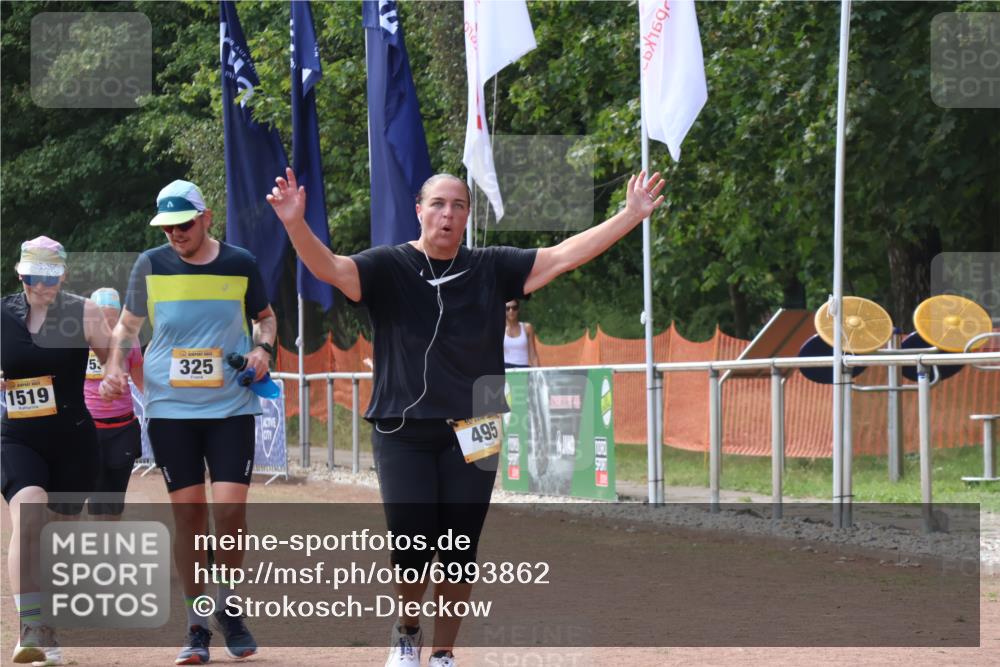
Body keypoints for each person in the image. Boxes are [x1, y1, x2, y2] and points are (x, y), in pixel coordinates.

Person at [267, 166, 665, 667]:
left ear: (468, 216)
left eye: (458, 205)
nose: (447, 214)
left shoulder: (491, 267)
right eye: (437, 204)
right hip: (403, 428)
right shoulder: (388, 266)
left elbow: (564, 255)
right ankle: (407, 632)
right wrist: (294, 222)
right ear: (419, 210)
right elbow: (329, 267)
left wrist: (629, 215)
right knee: (411, 542)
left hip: (476, 424)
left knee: (458, 547)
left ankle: (443, 652)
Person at [100, 180, 277, 665]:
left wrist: (263, 350)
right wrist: (114, 366)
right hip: (170, 409)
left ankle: (228, 606)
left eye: (184, 224)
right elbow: (127, 326)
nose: (176, 234)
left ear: (206, 218)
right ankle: (197, 625)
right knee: (190, 516)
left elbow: (265, 317)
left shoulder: (240, 262)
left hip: (230, 406)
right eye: (168, 227)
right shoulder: (149, 264)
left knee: (231, 512)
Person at [2, 236, 114, 666]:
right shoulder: (2, 314)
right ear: (20, 274)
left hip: (73, 441)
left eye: (49, 277)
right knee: (28, 513)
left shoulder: (84, 312)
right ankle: (32, 628)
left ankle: (47, 625)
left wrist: (114, 375)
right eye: (32, 277)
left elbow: (113, 358)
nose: (40, 286)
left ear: (63, 275)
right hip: (17, 437)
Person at [83, 287, 144, 520]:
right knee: (97, 498)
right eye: (102, 318)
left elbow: (142, 382)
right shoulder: (80, 342)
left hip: (123, 428)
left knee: (115, 501)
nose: (108, 326)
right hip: (90, 428)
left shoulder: (130, 341)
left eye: (113, 319)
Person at [503, 298, 539, 368]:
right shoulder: (499, 329)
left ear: (518, 309)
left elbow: (533, 355)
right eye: (507, 308)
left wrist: (538, 372)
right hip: (505, 368)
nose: (511, 311)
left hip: (523, 368)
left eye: (514, 308)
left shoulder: (527, 328)